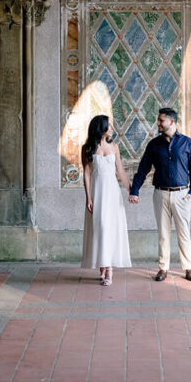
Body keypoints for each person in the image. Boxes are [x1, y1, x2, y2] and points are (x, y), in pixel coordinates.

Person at [129, 106, 191, 282]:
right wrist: (134, 190)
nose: (158, 123)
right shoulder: (154, 145)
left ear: (171, 121)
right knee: (163, 233)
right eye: (158, 120)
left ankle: (189, 268)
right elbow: (143, 168)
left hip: (182, 195)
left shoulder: (187, 143)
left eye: (161, 120)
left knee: (184, 232)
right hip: (160, 194)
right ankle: (163, 268)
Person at [81, 114, 131, 286]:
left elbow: (120, 171)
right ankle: (102, 266)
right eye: (109, 125)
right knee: (99, 227)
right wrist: (88, 197)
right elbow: (86, 173)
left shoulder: (114, 147)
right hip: (97, 191)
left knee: (110, 227)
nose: (112, 128)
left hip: (112, 192)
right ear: (100, 128)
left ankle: (109, 269)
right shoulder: (87, 148)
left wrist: (131, 190)